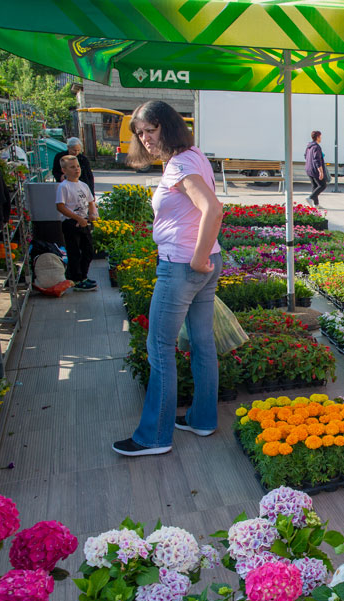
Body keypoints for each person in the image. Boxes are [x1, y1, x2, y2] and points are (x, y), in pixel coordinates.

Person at [113, 101, 223, 457]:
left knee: (159, 347)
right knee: (202, 342)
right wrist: (203, 257)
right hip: (203, 262)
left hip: (182, 266)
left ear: (169, 126)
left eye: (151, 129)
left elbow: (213, 209)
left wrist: (197, 258)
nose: (145, 138)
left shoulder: (179, 165)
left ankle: (153, 437)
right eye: (140, 133)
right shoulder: (193, 155)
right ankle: (202, 419)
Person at [54, 155, 98, 292]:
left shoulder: (83, 185)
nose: (77, 169)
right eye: (72, 167)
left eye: (78, 166)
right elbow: (60, 206)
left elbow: (91, 202)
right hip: (70, 223)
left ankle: (83, 276)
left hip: (84, 222)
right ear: (64, 170)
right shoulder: (63, 187)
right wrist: (77, 218)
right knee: (74, 252)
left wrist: (92, 214)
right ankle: (77, 279)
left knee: (88, 250)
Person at [304, 130, 327, 207]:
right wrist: (321, 172)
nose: (321, 138)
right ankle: (310, 198)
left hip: (308, 168)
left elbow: (305, 156)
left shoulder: (309, 146)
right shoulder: (316, 147)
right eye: (320, 137)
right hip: (314, 169)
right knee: (322, 185)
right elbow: (317, 160)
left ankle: (316, 204)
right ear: (317, 137)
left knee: (315, 186)